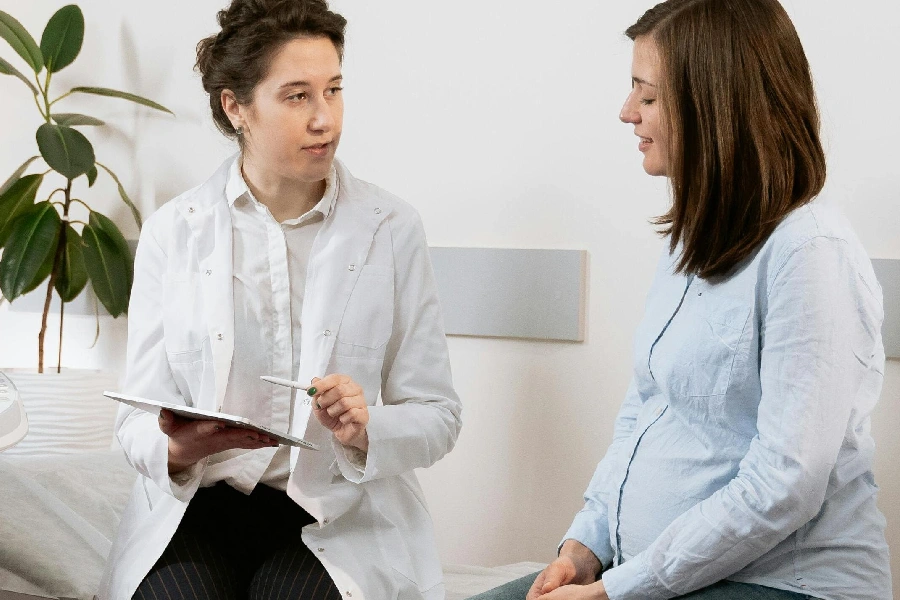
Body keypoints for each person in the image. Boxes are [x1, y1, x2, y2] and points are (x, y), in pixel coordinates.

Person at [470, 0, 891, 599]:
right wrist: (584, 547)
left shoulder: (809, 251)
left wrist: (621, 589)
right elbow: (648, 409)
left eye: (647, 96)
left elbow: (786, 484)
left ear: (716, 106)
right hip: (664, 577)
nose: (625, 113)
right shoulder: (696, 237)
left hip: (783, 585)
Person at [98, 1, 461, 598]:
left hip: (332, 512)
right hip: (198, 508)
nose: (326, 120)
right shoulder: (175, 231)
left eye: (334, 90)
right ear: (235, 106)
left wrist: (367, 428)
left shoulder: (391, 228)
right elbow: (135, 419)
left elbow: (438, 416)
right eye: (297, 96)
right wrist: (178, 446)